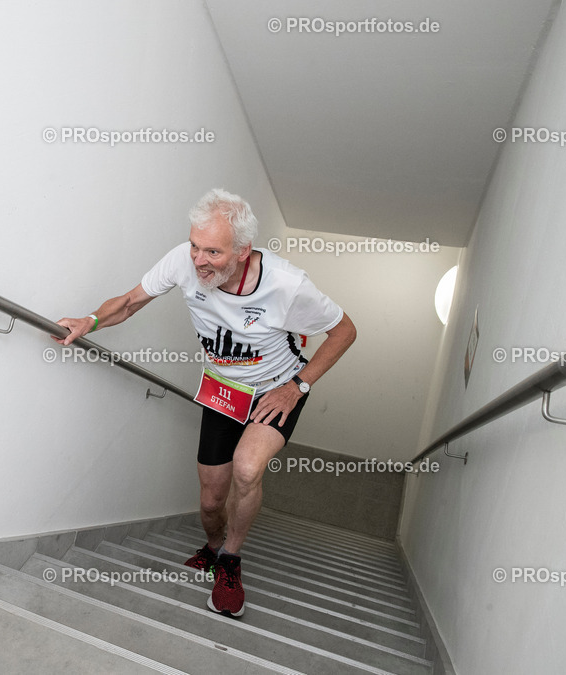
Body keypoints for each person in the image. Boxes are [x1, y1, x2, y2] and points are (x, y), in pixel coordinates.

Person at [54, 189, 356, 617]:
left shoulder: (287, 285)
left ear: (243, 251)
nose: (198, 260)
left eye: (212, 251)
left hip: (274, 391)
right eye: (195, 245)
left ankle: (230, 562)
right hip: (222, 390)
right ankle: (214, 549)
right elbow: (129, 302)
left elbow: (345, 331)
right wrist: (92, 321)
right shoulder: (183, 260)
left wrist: (298, 386)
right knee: (211, 500)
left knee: (248, 469)